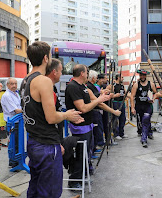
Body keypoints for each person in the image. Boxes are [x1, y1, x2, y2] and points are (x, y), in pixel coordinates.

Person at [20, 41, 84, 198]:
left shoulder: (25, 80)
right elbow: (51, 117)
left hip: (34, 142)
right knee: (50, 192)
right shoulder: (43, 81)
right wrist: (67, 115)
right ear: (45, 58)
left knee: (35, 189)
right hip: (46, 145)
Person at [65, 64, 120, 188]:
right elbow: (83, 108)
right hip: (79, 127)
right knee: (80, 154)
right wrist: (98, 100)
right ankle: (74, 181)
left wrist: (110, 108)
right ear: (82, 73)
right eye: (87, 72)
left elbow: (97, 102)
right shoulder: (73, 87)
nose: (88, 74)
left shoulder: (83, 86)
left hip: (88, 126)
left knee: (86, 153)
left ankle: (82, 177)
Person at [130, 69, 157, 148]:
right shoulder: (136, 85)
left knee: (145, 120)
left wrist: (153, 98)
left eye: (144, 75)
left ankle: (144, 139)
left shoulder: (150, 84)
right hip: (139, 106)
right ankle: (149, 132)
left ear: (146, 76)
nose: (142, 77)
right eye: (141, 75)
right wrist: (132, 108)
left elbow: (156, 93)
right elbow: (132, 96)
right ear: (139, 75)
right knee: (142, 122)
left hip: (148, 106)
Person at [0, 78, 22, 168]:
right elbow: (16, 110)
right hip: (12, 123)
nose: (14, 85)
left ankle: (17, 162)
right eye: (12, 84)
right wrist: (27, 110)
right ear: (7, 85)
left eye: (15, 83)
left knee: (18, 143)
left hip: (18, 122)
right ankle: (13, 162)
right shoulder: (7, 95)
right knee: (13, 143)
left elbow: (19, 106)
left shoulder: (16, 94)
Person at [45, 58, 65, 144]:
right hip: (51, 138)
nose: (61, 74)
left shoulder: (53, 87)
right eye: (60, 71)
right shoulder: (47, 88)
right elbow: (51, 117)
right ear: (54, 72)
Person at [112, 74, 128, 140]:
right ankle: (116, 133)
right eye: (122, 77)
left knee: (123, 118)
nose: (123, 78)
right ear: (118, 78)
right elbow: (111, 95)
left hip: (122, 102)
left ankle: (122, 133)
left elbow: (125, 92)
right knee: (116, 119)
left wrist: (126, 95)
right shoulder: (113, 85)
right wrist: (115, 95)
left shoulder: (122, 85)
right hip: (116, 102)